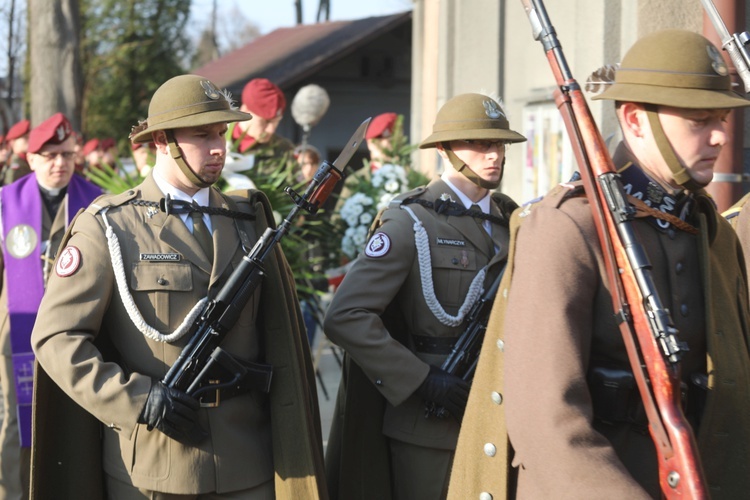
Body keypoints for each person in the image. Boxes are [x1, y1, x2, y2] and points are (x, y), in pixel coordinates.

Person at [449, 30, 750, 500]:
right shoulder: (569, 228)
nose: (720, 135)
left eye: (723, 118)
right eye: (698, 120)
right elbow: (548, 424)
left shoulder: (714, 234)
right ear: (633, 120)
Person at [30, 74, 327, 498]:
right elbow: (57, 339)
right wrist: (138, 400)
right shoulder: (111, 227)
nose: (219, 147)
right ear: (162, 142)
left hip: (250, 462)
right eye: (202, 135)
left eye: (222, 133)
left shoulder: (249, 221)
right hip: (157, 466)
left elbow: (278, 336)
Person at [323, 93, 526, 500]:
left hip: (497, 414)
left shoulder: (511, 222)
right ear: (447, 150)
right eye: (482, 144)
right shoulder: (411, 221)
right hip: (430, 422)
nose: (495, 155)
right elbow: (346, 316)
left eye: (500, 144)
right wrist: (421, 380)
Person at [0, 112, 102, 500]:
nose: (60, 163)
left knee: (77, 418)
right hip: (19, 330)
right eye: (49, 155)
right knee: (17, 420)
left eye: (66, 153)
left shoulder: (95, 201)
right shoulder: (6, 204)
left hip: (79, 327)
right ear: (30, 158)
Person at [227, 77, 295, 180]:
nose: (271, 130)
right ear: (245, 111)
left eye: (276, 122)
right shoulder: (216, 137)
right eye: (265, 122)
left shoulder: (283, 150)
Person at [1, 119, 30, 186]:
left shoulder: (23, 160)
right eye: (25, 138)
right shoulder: (16, 164)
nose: (29, 140)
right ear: (13, 142)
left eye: (29, 137)